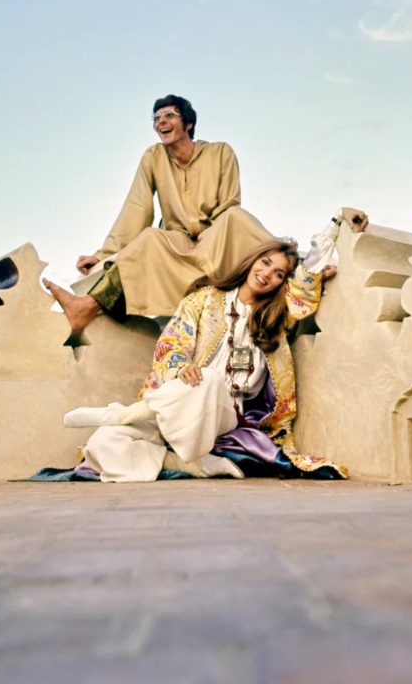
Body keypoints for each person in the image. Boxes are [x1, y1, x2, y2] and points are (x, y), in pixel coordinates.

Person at [62, 207, 368, 482]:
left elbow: (307, 278)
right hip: (178, 410)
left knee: (208, 380)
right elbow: (172, 341)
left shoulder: (276, 316)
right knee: (102, 444)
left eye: (278, 274)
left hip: (224, 419)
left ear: (282, 283)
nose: (267, 275)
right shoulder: (203, 300)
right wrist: (180, 367)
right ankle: (188, 463)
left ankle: (127, 413)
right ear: (251, 261)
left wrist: (337, 221)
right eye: (265, 263)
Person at [43, 95, 272, 328]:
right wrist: (104, 254)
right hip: (177, 242)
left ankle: (290, 267)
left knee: (237, 217)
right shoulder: (153, 157)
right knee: (150, 238)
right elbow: (137, 207)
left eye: (169, 115)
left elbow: (229, 204)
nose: (161, 121)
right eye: (156, 117)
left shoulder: (221, 152)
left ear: (188, 124)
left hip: (218, 237)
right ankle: (85, 307)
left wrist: (210, 241)